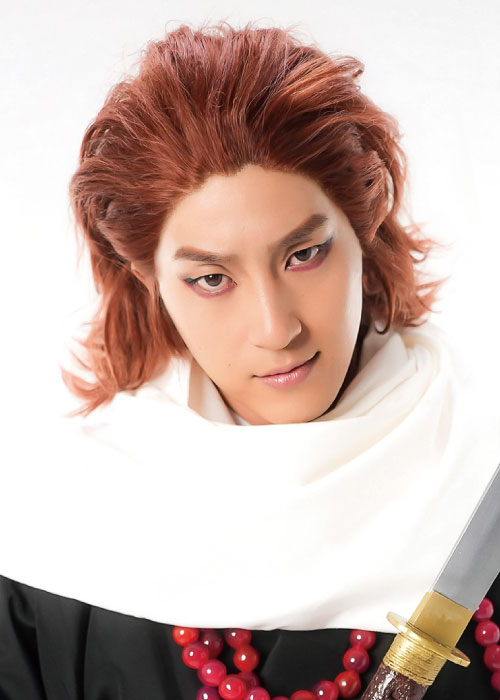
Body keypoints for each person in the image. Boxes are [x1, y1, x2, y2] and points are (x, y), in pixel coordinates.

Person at [1, 20, 499, 700]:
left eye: (304, 254)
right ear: (149, 279)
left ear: (363, 226)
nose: (276, 328)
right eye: (212, 279)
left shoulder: (479, 477)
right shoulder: (63, 529)